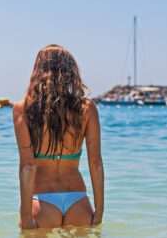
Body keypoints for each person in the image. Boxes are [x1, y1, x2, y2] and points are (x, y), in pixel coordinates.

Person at [13, 44, 104, 229]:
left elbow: (28, 166)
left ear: (38, 70)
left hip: (42, 201)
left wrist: (26, 215)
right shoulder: (87, 109)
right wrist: (99, 211)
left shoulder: (23, 109)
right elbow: (95, 163)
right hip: (78, 201)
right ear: (71, 71)